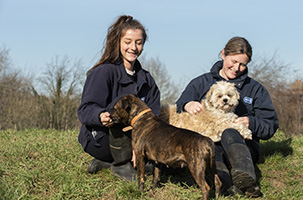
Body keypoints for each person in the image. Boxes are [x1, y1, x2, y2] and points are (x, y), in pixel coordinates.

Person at [176, 36, 279, 197]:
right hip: (210, 143)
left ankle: (247, 178)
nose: (237, 68)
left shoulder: (255, 89)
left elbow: (270, 125)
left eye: (242, 64)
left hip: (243, 146)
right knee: (210, 145)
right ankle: (224, 183)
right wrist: (187, 104)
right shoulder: (201, 82)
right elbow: (178, 107)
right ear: (223, 54)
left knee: (230, 132)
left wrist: (251, 122)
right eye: (233, 61)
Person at [77, 15, 161, 181]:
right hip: (102, 139)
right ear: (118, 42)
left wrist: (142, 147)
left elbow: (153, 116)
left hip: (136, 140)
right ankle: (121, 165)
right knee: (121, 112)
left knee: (168, 165)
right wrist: (100, 115)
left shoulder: (147, 79)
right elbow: (85, 109)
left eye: (139, 42)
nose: (133, 47)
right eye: (128, 42)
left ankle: (107, 164)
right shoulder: (103, 72)